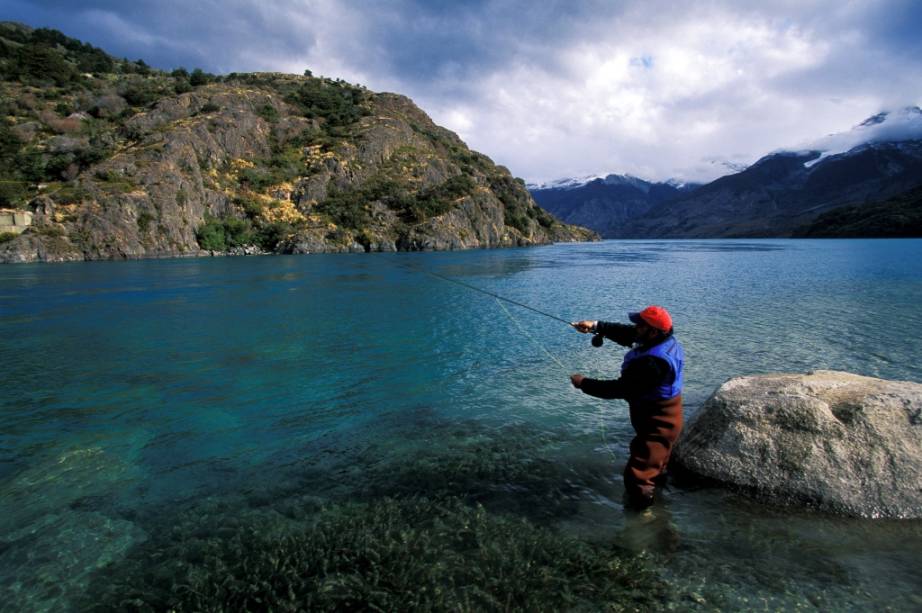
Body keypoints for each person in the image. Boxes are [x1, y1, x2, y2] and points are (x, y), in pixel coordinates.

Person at [570, 305, 684, 509]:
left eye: (640, 325)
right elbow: (627, 333)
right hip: (660, 417)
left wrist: (583, 383)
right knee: (655, 464)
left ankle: (642, 524)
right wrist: (596, 326)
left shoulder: (653, 363)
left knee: (638, 477)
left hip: (659, 422)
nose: (635, 327)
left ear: (653, 330)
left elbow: (621, 389)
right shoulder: (661, 339)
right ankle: (661, 504)